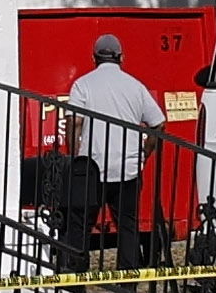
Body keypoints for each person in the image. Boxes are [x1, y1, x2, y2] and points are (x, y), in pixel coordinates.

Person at [62, 39, 165, 249]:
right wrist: (145, 153)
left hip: (92, 168)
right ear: (121, 58)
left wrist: (76, 159)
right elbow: (159, 124)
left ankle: (75, 276)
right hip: (128, 168)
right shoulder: (135, 86)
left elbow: (74, 122)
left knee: (80, 226)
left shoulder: (83, 85)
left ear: (94, 58)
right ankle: (128, 278)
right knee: (128, 226)